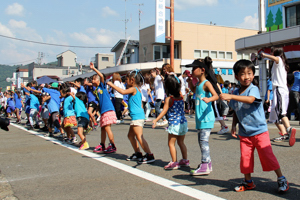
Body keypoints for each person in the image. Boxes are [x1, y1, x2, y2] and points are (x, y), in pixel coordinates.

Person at [220, 59, 289, 192]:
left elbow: (250, 99)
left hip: (259, 132)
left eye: (249, 73)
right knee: (245, 159)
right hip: (245, 133)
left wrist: (231, 96)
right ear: (236, 76)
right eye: (242, 74)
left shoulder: (254, 89)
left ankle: (281, 178)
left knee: (268, 156)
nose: (246, 77)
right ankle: (248, 182)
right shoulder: (235, 93)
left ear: (253, 75)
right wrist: (234, 125)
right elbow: (236, 110)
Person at [108, 69, 155, 164]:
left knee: (139, 137)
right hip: (136, 117)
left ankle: (149, 155)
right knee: (130, 136)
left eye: (127, 79)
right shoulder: (137, 90)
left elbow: (122, 91)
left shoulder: (134, 89)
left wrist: (111, 84)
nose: (125, 81)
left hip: (137, 117)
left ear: (132, 80)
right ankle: (138, 153)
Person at [186, 60, 219, 175]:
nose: (192, 70)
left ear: (202, 70)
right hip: (200, 118)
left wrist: (209, 99)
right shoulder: (198, 84)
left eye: (194, 68)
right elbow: (195, 91)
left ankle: (205, 164)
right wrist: (190, 83)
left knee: (203, 141)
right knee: (201, 142)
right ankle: (207, 164)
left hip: (206, 117)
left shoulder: (206, 83)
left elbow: (216, 95)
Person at [261, 47, 296, 146]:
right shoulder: (281, 64)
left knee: (281, 113)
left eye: (272, 52)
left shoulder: (279, 60)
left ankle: (289, 129)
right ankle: (284, 133)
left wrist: (265, 55)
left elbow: (276, 59)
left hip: (279, 90)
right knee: (273, 117)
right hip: (280, 90)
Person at [152, 74, 189, 170]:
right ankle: (185, 160)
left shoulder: (169, 99)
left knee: (171, 144)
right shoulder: (181, 97)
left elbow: (164, 111)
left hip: (174, 124)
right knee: (181, 143)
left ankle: (174, 162)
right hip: (183, 123)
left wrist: (156, 120)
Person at [90, 63, 117, 154]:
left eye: (94, 79)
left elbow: (101, 75)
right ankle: (102, 144)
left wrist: (94, 68)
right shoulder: (96, 89)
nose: (92, 81)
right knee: (103, 128)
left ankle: (112, 145)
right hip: (103, 111)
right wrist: (96, 111)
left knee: (107, 128)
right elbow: (99, 102)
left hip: (108, 109)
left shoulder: (102, 86)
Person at [203, 57, 229, 135]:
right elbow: (217, 83)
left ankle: (224, 126)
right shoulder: (211, 71)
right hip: (215, 93)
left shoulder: (208, 72)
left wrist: (220, 93)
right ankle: (207, 127)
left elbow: (215, 83)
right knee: (211, 110)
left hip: (214, 93)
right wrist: (221, 93)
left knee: (216, 110)